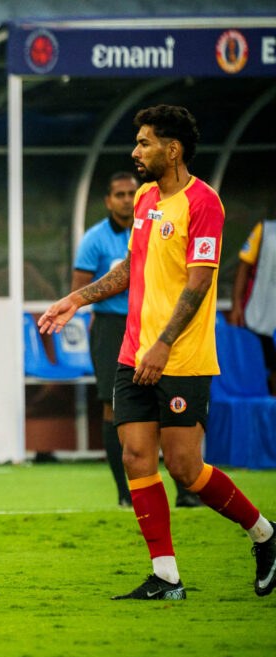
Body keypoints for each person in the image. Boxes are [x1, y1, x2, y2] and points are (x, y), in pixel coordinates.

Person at [39, 105, 276, 600]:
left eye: (144, 142)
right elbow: (131, 266)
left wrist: (164, 344)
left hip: (181, 357)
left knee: (185, 467)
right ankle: (166, 576)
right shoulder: (146, 197)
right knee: (135, 456)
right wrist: (74, 299)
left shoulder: (204, 203)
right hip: (133, 353)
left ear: (173, 150)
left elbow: (200, 280)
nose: (135, 151)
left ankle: (264, 533)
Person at [72, 171, 138, 507]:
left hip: (149, 324)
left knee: (161, 403)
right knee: (112, 404)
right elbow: (79, 288)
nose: (127, 199)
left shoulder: (152, 231)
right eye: (120, 194)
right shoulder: (94, 239)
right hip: (111, 327)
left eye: (132, 193)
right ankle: (123, 493)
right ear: (108, 200)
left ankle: (185, 490)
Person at [231, 219, 276, 394]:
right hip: (258, 314)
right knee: (264, 365)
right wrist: (236, 305)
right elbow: (244, 266)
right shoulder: (265, 230)